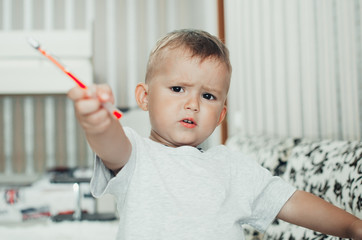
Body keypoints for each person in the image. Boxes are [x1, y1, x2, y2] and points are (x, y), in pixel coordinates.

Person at [68, 29, 362, 240]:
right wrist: (97, 121)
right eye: (177, 89)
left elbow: (291, 201)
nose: (192, 104)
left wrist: (352, 227)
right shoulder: (137, 154)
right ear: (144, 98)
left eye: (208, 96)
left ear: (221, 115)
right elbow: (111, 143)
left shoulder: (231, 167)